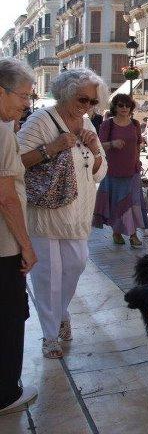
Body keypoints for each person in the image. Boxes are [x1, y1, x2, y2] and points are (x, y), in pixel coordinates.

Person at [17, 68, 108, 358]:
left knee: (76, 264)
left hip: (77, 213)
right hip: (45, 212)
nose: (88, 107)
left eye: (93, 102)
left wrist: (95, 151)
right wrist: (52, 148)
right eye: (83, 100)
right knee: (47, 275)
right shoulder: (40, 120)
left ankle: (61, 312)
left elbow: (99, 173)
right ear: (66, 93)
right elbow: (16, 163)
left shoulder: (88, 125)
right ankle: (49, 334)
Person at [0, 58, 38, 416]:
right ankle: (6, 393)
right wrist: (27, 246)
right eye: (24, 95)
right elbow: (7, 196)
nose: (27, 103)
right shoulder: (2, 132)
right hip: (3, 247)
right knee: (10, 319)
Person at [92, 93, 148, 247]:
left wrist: (138, 160)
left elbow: (137, 144)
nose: (124, 108)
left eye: (127, 105)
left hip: (132, 170)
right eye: (120, 105)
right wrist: (112, 144)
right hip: (113, 171)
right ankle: (117, 231)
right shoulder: (107, 125)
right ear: (115, 107)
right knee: (118, 203)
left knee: (132, 202)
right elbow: (98, 146)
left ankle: (133, 235)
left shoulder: (135, 124)